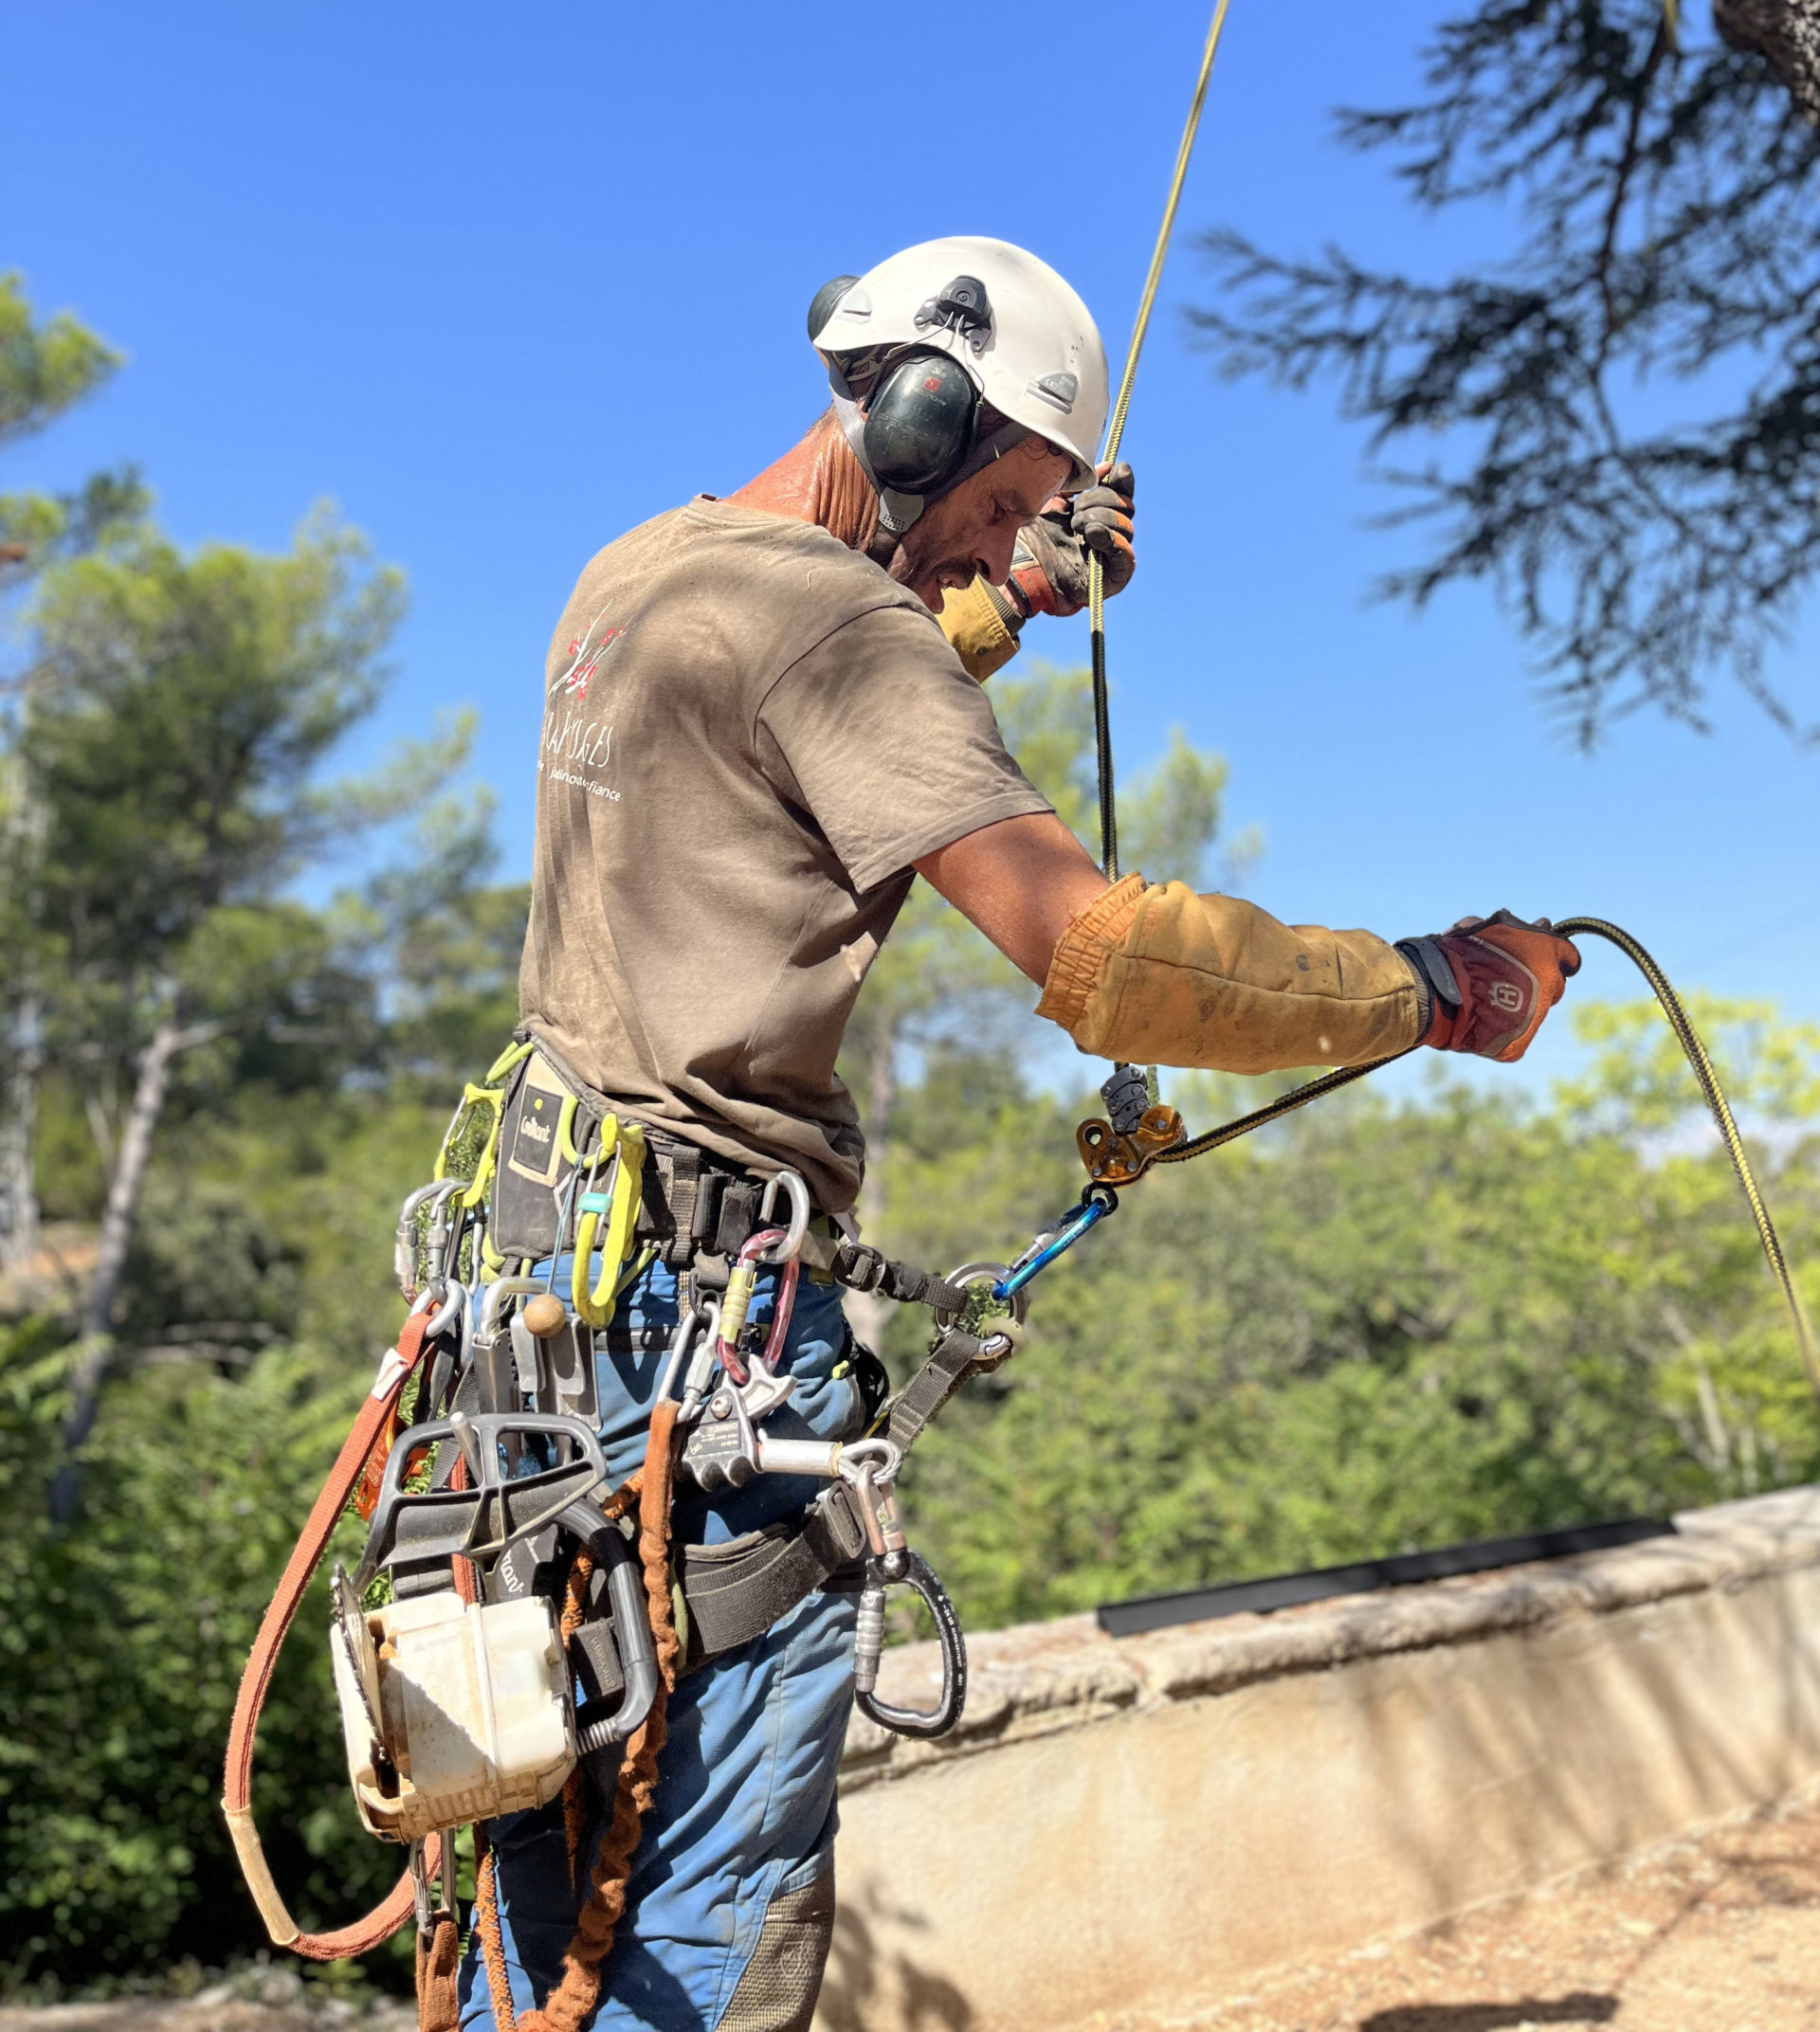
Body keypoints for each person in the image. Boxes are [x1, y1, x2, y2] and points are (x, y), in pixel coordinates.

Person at [462, 236, 1578, 2032]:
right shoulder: (842, 628)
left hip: (531, 1306)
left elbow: (799, 712)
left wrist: (1004, 600)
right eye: (1007, 501)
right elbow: (1102, 954)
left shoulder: (639, 570)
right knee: (703, 1880)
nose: (1009, 549)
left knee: (550, 1818)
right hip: (701, 1324)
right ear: (916, 420)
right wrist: (1432, 987)